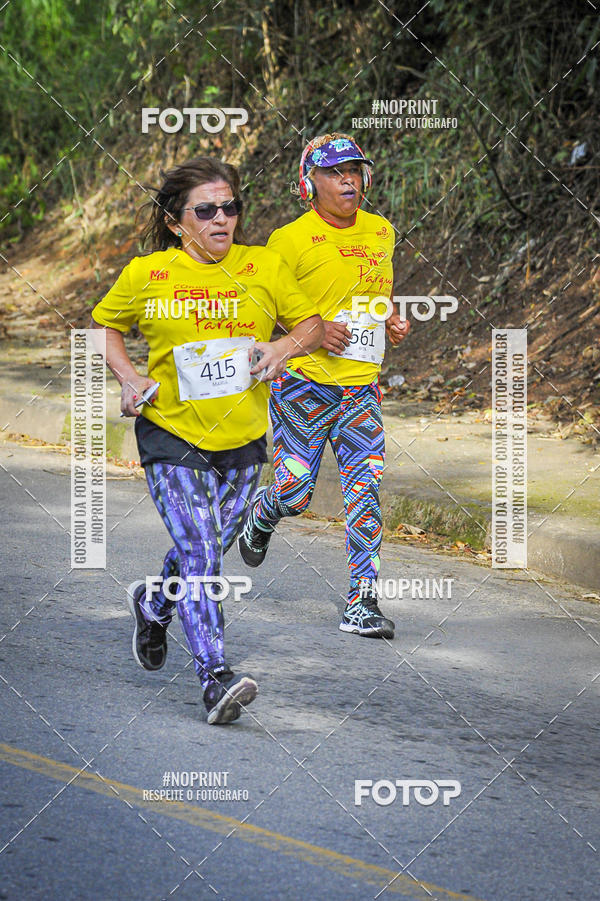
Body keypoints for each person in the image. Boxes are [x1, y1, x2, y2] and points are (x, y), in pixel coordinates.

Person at [91, 157, 323, 724]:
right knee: (200, 550)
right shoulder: (148, 273)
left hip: (243, 438)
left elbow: (311, 323)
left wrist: (281, 349)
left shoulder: (263, 266)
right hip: (170, 432)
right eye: (207, 210)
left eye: (230, 208)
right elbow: (105, 328)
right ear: (177, 222)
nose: (223, 219)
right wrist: (130, 378)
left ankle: (152, 603)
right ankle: (214, 675)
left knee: (207, 547)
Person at [238, 134, 410, 639]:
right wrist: (311, 335)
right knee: (297, 493)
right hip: (302, 387)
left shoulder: (382, 233)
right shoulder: (287, 241)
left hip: (361, 390)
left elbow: (376, 298)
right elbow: (262, 318)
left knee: (366, 490)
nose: (348, 181)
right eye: (335, 173)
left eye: (355, 171)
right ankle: (266, 509)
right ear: (309, 184)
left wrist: (393, 320)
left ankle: (362, 602)